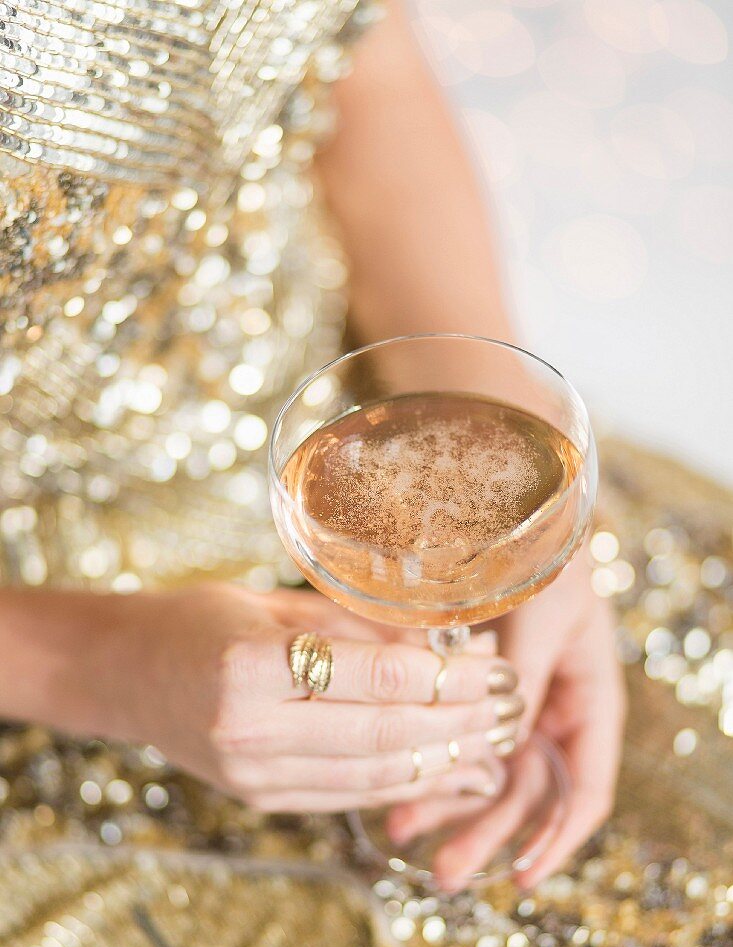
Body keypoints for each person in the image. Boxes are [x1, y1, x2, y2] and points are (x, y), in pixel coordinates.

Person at [0, 0, 624, 893]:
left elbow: (364, 66)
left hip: (372, 435)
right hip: (59, 676)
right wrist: (97, 666)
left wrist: (490, 444)